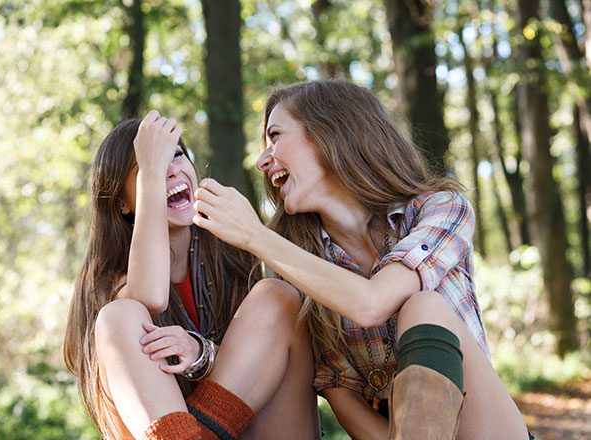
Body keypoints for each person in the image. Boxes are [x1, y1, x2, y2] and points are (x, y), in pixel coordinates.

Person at [193, 80, 532, 439]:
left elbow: (373, 303)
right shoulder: (302, 265)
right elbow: (341, 396)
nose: (263, 161)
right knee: (276, 295)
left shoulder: (441, 209)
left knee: (424, 306)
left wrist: (255, 235)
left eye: (275, 136)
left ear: (331, 132)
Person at [63, 110, 320, 440]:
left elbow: (261, 366)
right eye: (148, 168)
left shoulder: (232, 252)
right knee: (121, 315)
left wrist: (202, 354)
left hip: (243, 427)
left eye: (177, 155)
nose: (170, 171)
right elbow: (149, 299)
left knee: (278, 296)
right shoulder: (105, 281)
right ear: (122, 204)